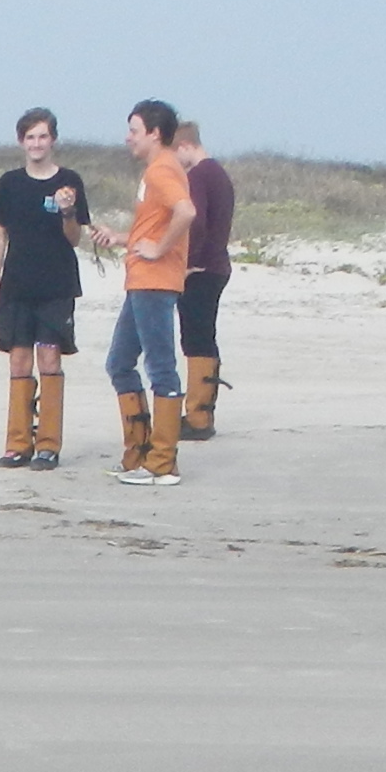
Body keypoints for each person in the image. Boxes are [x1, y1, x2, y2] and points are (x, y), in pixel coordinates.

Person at [0, 107, 90, 469]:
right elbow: (0, 233)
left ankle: (48, 444)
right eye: (30, 137)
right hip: (17, 284)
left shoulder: (69, 182)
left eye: (43, 136)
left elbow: (75, 238)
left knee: (49, 356)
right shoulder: (10, 183)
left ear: (53, 140)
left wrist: (67, 212)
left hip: (56, 285)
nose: (36, 143)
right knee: (18, 359)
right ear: (21, 142)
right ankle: (18, 444)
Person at [102, 100, 190, 485]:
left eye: (134, 130)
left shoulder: (162, 169)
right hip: (140, 278)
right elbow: (155, 224)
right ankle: (138, 452)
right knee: (119, 363)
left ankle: (163, 462)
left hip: (155, 280)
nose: (128, 137)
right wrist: (124, 238)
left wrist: (158, 248)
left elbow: (186, 212)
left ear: (154, 133)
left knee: (160, 367)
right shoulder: (156, 171)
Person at [174, 118, 235, 439]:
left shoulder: (199, 174)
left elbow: (195, 224)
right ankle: (202, 412)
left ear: (185, 146)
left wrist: (189, 263)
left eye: (175, 153)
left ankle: (198, 416)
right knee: (203, 337)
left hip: (203, 269)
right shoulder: (219, 174)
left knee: (195, 338)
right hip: (217, 267)